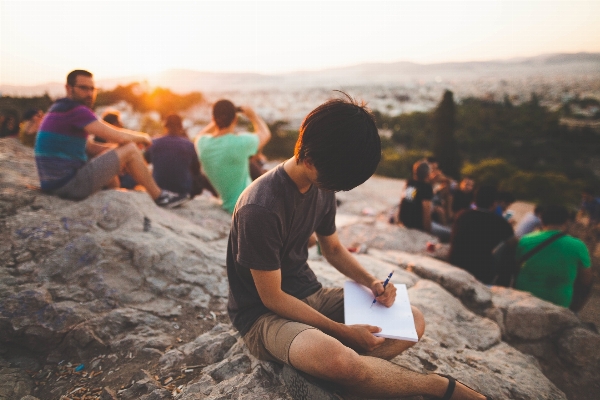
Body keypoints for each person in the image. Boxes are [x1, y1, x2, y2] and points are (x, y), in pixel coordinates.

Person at [227, 95, 491, 400]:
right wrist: (342, 332)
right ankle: (434, 386)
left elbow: (334, 250)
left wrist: (372, 283)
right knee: (337, 358)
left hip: (311, 295)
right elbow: (272, 297)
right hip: (263, 316)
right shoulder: (261, 207)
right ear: (309, 159)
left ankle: (344, 374)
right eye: (337, 183)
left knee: (413, 319)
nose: (337, 189)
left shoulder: (321, 183)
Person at [34, 69, 188, 208]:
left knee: (119, 158)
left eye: (92, 89)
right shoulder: (75, 110)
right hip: (68, 184)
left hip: (53, 183)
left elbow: (89, 147)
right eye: (83, 88)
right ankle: (160, 196)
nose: (89, 93)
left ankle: (117, 198)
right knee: (130, 149)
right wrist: (143, 138)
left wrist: (117, 157)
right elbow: (118, 136)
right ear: (69, 88)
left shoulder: (59, 109)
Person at [195, 100, 271, 214]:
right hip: (250, 204)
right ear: (235, 120)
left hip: (229, 204)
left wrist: (216, 121)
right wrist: (253, 116)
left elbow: (200, 134)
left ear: (213, 119)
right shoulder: (240, 143)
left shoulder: (202, 143)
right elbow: (266, 134)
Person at [515, 205, 593, 311]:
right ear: (566, 222)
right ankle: (574, 314)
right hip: (558, 304)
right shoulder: (578, 245)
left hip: (522, 299)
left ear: (542, 220)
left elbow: (514, 266)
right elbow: (586, 280)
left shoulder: (525, 240)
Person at [448, 185, 514, 284]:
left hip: (454, 263)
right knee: (507, 249)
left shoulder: (461, 215)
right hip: (479, 272)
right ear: (494, 204)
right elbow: (513, 242)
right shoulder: (500, 223)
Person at [145, 114, 216, 198]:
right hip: (183, 190)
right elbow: (196, 170)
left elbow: (146, 160)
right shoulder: (189, 145)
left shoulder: (154, 143)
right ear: (181, 128)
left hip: (159, 188)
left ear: (165, 127)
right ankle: (218, 196)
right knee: (201, 178)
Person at [398, 159, 452, 242]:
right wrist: (428, 231)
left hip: (405, 221)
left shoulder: (410, 183)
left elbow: (406, 202)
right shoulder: (426, 188)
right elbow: (426, 213)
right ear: (428, 174)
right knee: (450, 233)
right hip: (417, 225)